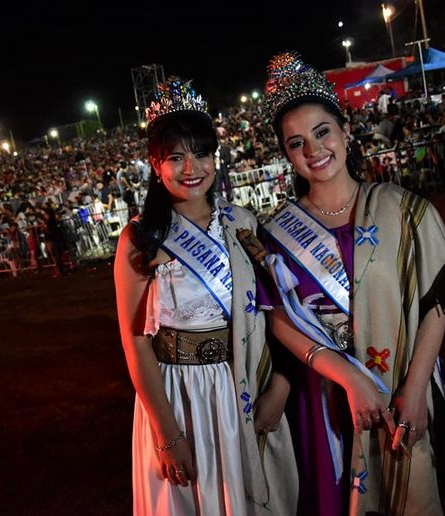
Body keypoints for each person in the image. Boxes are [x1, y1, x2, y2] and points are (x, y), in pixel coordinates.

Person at [239, 52, 445, 515]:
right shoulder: (277, 231)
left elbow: (435, 301)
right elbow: (280, 319)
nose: (314, 151)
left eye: (322, 133)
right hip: (327, 402)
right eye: (296, 143)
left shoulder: (403, 208)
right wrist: (346, 377)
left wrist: (417, 387)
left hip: (405, 386)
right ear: (285, 154)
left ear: (344, 131)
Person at [114, 77, 298, 515]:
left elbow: (275, 314)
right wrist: (167, 433)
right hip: (180, 395)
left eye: (201, 153)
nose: (190, 167)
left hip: (241, 385)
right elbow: (135, 341)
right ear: (155, 165)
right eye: (175, 157)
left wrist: (280, 386)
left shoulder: (243, 222)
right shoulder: (140, 238)